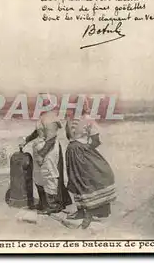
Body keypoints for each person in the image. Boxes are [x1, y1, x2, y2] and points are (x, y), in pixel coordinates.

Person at [65, 99, 117, 229]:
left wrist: (82, 147)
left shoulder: (79, 119)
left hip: (76, 152)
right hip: (77, 152)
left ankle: (86, 212)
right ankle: (83, 211)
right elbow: (93, 140)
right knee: (80, 181)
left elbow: (93, 140)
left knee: (82, 181)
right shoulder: (79, 119)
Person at [21, 96, 72, 214]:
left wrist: (41, 154)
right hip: (40, 149)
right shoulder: (43, 116)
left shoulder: (51, 118)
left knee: (50, 175)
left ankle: (53, 205)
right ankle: (43, 203)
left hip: (49, 151)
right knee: (39, 176)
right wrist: (26, 140)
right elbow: (37, 132)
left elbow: (51, 138)